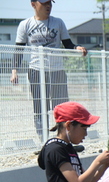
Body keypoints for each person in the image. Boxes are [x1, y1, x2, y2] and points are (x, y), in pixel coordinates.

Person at [10, 0, 88, 140]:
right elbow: (19, 49)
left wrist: (77, 47)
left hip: (57, 70)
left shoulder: (58, 22)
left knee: (63, 107)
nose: (48, 6)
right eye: (44, 3)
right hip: (36, 70)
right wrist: (15, 70)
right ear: (33, 4)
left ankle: (64, 139)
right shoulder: (25, 24)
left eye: (50, 3)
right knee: (40, 107)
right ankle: (43, 140)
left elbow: (68, 44)